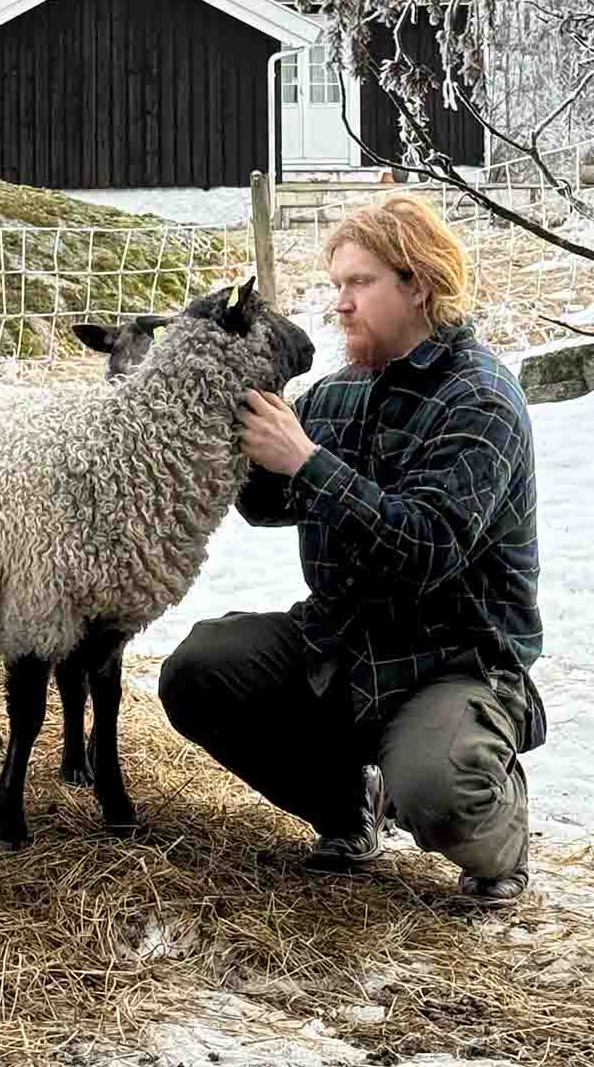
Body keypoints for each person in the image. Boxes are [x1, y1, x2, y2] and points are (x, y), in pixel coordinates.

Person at [158, 191, 544, 908]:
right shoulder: (335, 395)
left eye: (358, 283)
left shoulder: (480, 400)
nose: (340, 303)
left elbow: (427, 546)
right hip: (341, 642)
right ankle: (345, 807)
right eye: (336, 285)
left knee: (436, 786)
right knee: (197, 671)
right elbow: (268, 504)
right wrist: (220, 412)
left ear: (417, 284)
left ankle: (499, 830)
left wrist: (306, 460)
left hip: (452, 660)